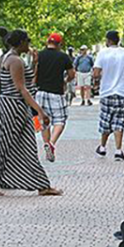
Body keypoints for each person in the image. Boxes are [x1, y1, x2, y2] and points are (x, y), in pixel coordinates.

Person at [0, 30, 62, 197]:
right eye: (28, 41)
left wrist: (34, 63)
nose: (29, 44)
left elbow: (25, 83)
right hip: (15, 106)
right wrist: (40, 112)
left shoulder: (9, 58)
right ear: (20, 43)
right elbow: (22, 89)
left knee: (25, 145)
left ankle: (41, 185)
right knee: (5, 145)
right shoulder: (15, 60)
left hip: (15, 106)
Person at [92, 30, 124, 160]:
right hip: (123, 93)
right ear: (118, 40)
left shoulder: (102, 53)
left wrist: (96, 83)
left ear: (108, 40)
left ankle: (102, 147)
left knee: (105, 120)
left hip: (107, 92)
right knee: (119, 122)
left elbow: (96, 73)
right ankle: (118, 150)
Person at [35, 31, 75, 162]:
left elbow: (33, 73)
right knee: (60, 120)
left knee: (44, 121)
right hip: (56, 92)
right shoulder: (63, 57)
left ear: (48, 42)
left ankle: (46, 144)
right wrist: (65, 81)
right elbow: (71, 74)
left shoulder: (39, 55)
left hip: (40, 92)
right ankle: (51, 143)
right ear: (59, 44)